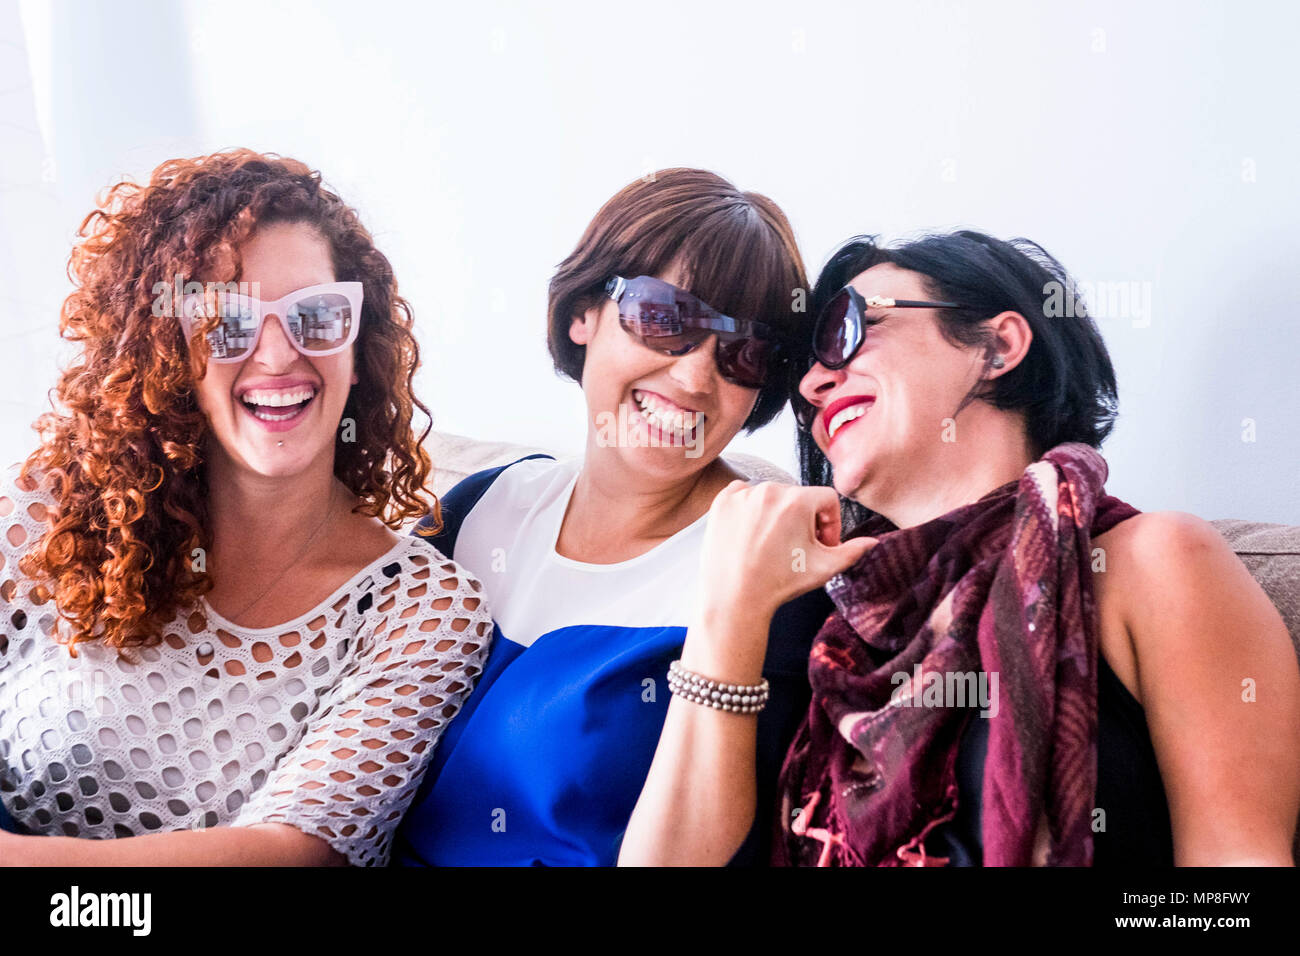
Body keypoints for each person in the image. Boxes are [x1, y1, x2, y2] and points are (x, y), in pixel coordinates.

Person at [641, 230, 1300, 865]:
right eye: (806, 372)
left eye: (845, 330)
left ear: (998, 345)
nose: (814, 385)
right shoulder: (819, 621)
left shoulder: (1152, 562)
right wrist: (729, 608)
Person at [0, 150, 491, 866]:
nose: (277, 354)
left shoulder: (420, 611)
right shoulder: (50, 508)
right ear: (167, 352)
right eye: (227, 321)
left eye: (315, 316)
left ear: (359, 343)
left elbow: (291, 855)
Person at [393, 168, 859, 866]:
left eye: (746, 353)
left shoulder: (772, 569)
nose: (695, 378)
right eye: (666, 319)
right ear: (583, 311)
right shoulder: (474, 508)